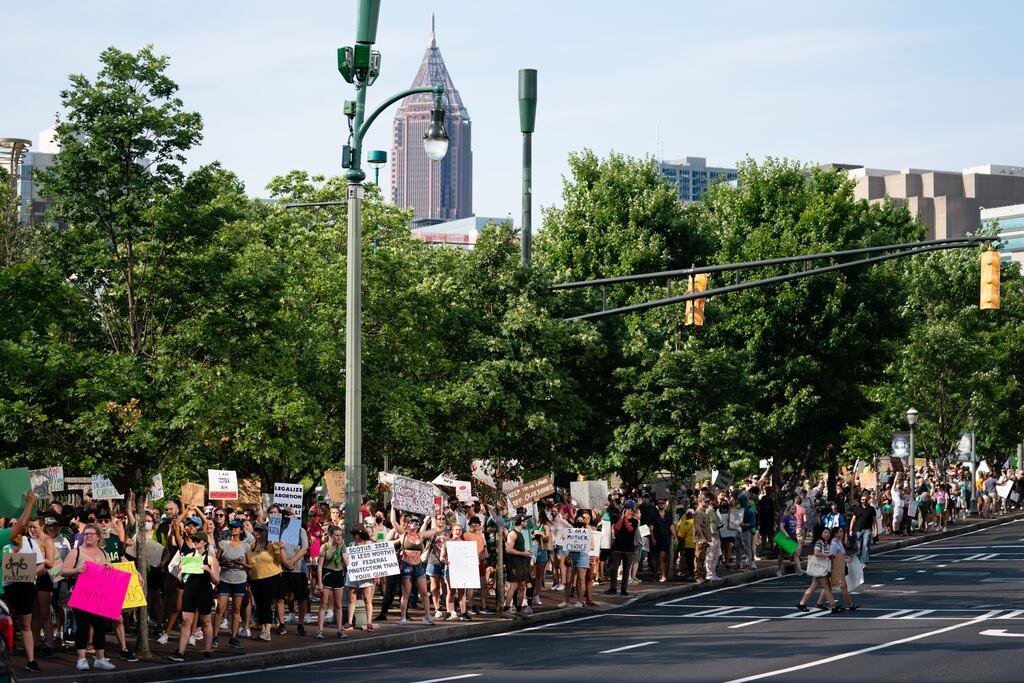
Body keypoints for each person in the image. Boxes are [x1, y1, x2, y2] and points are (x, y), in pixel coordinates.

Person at [61, 522, 117, 671]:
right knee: (83, 626)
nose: (89, 536)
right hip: (82, 594)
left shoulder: (104, 553)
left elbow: (110, 570)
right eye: (86, 534)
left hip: (101, 595)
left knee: (100, 627)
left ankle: (100, 658)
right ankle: (81, 658)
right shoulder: (76, 552)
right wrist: (76, 570)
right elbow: (63, 571)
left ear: (98, 537)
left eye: (92, 534)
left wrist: (110, 568)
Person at [168, 531, 220, 661]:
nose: (195, 542)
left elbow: (216, 581)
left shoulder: (210, 558)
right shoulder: (188, 556)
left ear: (205, 542)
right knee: (186, 621)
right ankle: (181, 651)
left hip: (204, 591)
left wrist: (208, 570)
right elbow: (180, 578)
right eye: (194, 540)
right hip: (190, 590)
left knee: (205, 621)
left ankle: (207, 650)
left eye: (198, 540)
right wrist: (180, 570)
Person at [4, 518, 45, 673]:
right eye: (11, 525)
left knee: (25, 623)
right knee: (7, 622)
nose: (15, 527)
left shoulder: (29, 542)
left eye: (17, 524)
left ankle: (31, 660)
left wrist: (29, 572)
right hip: (6, 587)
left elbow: (41, 564)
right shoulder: (4, 543)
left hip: (26, 586)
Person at [395, 515, 440, 624]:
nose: (415, 524)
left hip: (418, 566)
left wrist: (432, 515)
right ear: (409, 524)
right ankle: (403, 617)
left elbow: (434, 530)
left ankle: (428, 616)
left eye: (417, 522)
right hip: (407, 566)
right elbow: (393, 521)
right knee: (406, 594)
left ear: (419, 525)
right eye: (413, 522)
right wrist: (392, 506)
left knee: (424, 593)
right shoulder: (403, 534)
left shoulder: (421, 535)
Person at [214, 520, 251, 649]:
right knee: (220, 608)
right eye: (231, 527)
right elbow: (216, 561)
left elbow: (250, 565)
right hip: (225, 578)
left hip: (240, 579)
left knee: (236, 609)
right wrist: (225, 563)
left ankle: (233, 636)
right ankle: (214, 636)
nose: (233, 529)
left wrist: (241, 564)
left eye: (236, 528)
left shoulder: (246, 546)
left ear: (241, 530)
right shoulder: (223, 544)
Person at [247, 523, 283, 641]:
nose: (258, 533)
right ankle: (263, 629)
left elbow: (279, 560)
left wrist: (279, 548)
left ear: (266, 533)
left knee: (266, 603)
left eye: (261, 531)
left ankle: (267, 630)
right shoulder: (251, 546)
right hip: (255, 578)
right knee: (259, 604)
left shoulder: (272, 545)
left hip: (271, 576)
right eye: (256, 530)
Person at [30, 517, 57, 659]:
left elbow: (51, 562)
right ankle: (35, 643)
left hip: (44, 578)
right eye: (31, 527)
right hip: (31, 577)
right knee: (34, 613)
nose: (32, 530)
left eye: (35, 527)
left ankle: (50, 644)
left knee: (45, 612)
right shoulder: (29, 540)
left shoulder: (47, 540)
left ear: (42, 526)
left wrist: (36, 556)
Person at [796, 527, 838, 614]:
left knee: (813, 587)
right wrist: (828, 555)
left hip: (820, 568)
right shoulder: (819, 542)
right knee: (827, 588)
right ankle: (834, 606)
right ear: (821, 533)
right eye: (825, 532)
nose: (827, 534)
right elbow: (816, 553)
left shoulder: (825, 543)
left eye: (828, 533)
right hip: (820, 568)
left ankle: (802, 603)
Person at [316, 525, 348, 638]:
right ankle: (320, 630)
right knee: (323, 603)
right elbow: (320, 566)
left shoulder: (342, 546)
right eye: (336, 536)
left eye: (340, 535)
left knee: (338, 604)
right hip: (327, 574)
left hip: (338, 574)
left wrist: (341, 548)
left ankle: (339, 629)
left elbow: (347, 562)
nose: (339, 538)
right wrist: (319, 582)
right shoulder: (325, 547)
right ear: (331, 536)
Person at [503, 514, 532, 615]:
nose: (527, 522)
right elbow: (508, 549)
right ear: (522, 522)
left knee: (522, 586)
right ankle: (506, 608)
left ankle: (519, 608)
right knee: (513, 585)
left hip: (521, 564)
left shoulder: (520, 533)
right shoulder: (513, 534)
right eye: (525, 521)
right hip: (514, 564)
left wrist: (525, 553)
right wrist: (523, 553)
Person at [606, 500, 637, 596]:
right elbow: (617, 528)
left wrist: (626, 519)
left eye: (629, 509)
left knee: (626, 570)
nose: (627, 510)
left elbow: (630, 529)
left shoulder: (634, 521)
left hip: (628, 549)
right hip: (617, 548)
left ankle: (624, 589)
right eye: (626, 508)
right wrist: (622, 517)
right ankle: (613, 588)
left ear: (632, 510)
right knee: (614, 568)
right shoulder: (617, 518)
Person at [560, 513, 590, 608]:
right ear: (575, 521)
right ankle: (566, 601)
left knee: (581, 580)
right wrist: (565, 539)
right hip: (571, 556)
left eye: (581, 521)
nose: (580, 522)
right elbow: (564, 542)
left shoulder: (587, 532)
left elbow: (592, 545)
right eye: (578, 521)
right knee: (568, 580)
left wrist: (585, 543)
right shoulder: (570, 531)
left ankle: (580, 601)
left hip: (582, 556)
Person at [850, 494, 877, 567]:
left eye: (866, 499)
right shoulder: (857, 509)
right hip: (858, 530)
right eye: (863, 499)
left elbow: (874, 521)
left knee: (866, 546)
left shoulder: (871, 509)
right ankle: (858, 561)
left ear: (868, 500)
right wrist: (851, 530)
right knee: (858, 546)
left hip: (868, 530)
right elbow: (853, 520)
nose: (864, 501)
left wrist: (875, 530)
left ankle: (864, 562)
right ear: (861, 500)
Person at [776, 502, 801, 576]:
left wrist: (797, 533)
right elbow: (781, 526)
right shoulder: (785, 517)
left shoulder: (795, 518)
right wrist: (786, 534)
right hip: (786, 538)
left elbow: (794, 528)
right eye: (792, 509)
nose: (794, 510)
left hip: (793, 537)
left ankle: (799, 570)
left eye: (795, 509)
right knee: (781, 555)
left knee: (796, 554)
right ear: (789, 509)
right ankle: (779, 570)